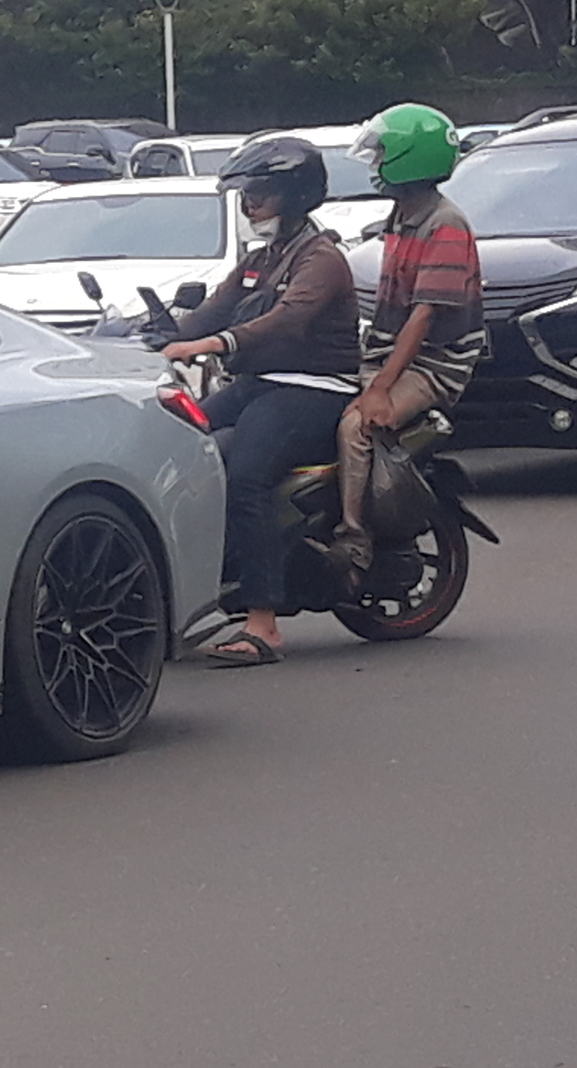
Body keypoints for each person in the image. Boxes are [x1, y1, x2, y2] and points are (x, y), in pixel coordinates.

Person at [159, 138, 363, 667]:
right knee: (182, 447)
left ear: (295, 197)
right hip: (258, 385)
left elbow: (288, 319)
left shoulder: (323, 260)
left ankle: (263, 624)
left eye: (261, 194)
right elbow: (211, 311)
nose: (250, 205)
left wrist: (214, 344)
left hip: (313, 390)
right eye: (246, 195)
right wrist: (144, 339)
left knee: (246, 476)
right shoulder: (258, 260)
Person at [335, 104, 484, 579]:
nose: (375, 164)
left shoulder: (446, 223)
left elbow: (423, 316)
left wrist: (379, 388)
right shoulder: (402, 215)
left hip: (436, 364)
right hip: (392, 352)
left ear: (408, 158)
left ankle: (354, 541)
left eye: (381, 154)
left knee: (355, 426)